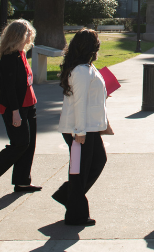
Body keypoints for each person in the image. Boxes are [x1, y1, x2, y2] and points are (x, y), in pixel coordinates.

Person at [0, 19, 41, 194]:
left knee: (29, 144)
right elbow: (8, 88)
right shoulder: (9, 57)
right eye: (28, 33)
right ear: (18, 35)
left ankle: (22, 181)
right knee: (20, 143)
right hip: (15, 107)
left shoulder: (21, 53)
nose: (30, 36)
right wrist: (15, 112)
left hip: (30, 104)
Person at [57, 29, 110, 226]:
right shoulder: (80, 70)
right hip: (80, 129)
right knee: (79, 171)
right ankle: (76, 214)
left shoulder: (87, 67)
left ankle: (69, 196)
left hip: (89, 127)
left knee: (97, 161)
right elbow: (79, 102)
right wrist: (79, 132)